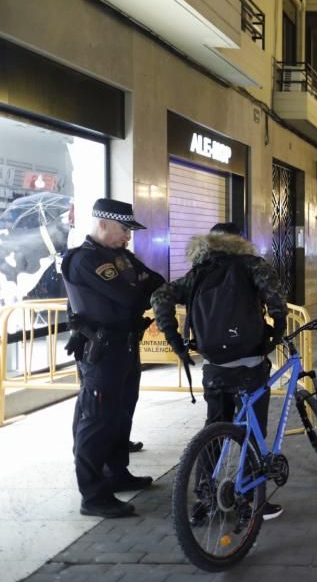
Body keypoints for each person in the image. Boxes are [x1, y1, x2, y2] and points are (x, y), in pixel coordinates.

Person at [150, 222, 287, 521]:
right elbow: (275, 294)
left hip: (215, 366)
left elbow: (160, 296)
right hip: (250, 364)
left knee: (214, 429)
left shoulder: (198, 272)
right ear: (241, 241)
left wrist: (175, 339)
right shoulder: (251, 265)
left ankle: (204, 499)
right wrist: (279, 325)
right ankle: (252, 500)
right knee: (253, 433)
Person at [62, 198, 165, 518]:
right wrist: (137, 289)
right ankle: (93, 495)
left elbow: (156, 282)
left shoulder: (121, 257)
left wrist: (137, 288)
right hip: (102, 351)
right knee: (97, 420)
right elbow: (130, 295)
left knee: (121, 414)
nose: (128, 236)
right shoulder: (83, 259)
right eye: (123, 229)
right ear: (102, 224)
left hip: (125, 346)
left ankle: (116, 473)